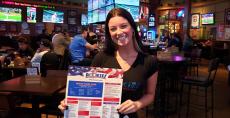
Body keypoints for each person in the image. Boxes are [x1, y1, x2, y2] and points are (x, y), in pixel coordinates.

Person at [59, 8, 158, 118]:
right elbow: (88, 88)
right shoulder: (101, 58)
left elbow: (150, 94)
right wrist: (71, 104)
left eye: (123, 26)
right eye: (113, 29)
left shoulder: (149, 61)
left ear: (133, 28)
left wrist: (137, 104)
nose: (119, 32)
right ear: (109, 33)